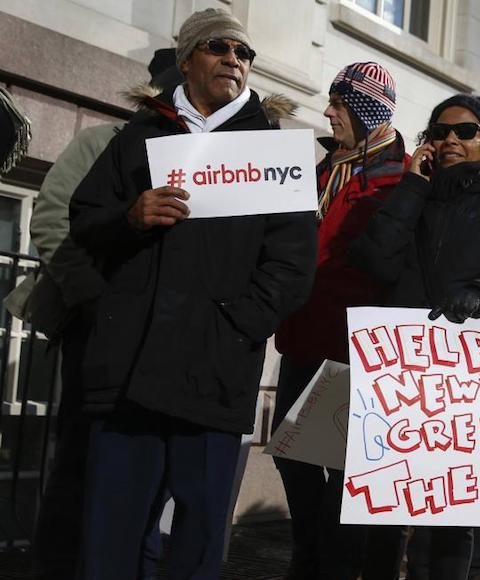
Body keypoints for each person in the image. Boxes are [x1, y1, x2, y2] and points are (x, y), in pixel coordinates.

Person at [69, 9, 317, 578]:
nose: (234, 58)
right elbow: (82, 224)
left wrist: (234, 327)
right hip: (128, 376)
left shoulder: (275, 152)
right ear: (186, 60)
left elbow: (292, 265)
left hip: (214, 376)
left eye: (244, 52)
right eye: (218, 47)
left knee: (199, 542)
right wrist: (129, 218)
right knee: (111, 540)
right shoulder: (137, 137)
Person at [353, 93, 480, 579]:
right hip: (401, 376)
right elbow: (373, 262)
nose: (449, 139)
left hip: (466, 383)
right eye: (439, 131)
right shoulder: (412, 196)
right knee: (383, 517)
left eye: (464, 131)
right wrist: (410, 187)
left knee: (448, 523)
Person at [2, 48, 181, 580]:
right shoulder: (101, 143)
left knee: (148, 476)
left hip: (168, 341)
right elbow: (53, 222)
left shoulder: (210, 159)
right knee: (80, 461)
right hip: (97, 332)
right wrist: (99, 302)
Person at [270, 61, 405, 580]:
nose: (328, 113)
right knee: (291, 457)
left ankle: (327, 565)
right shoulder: (323, 168)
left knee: (345, 473)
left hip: (356, 352)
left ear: (369, 111)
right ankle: (310, 555)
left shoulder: (402, 177)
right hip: (302, 338)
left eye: (341, 104)